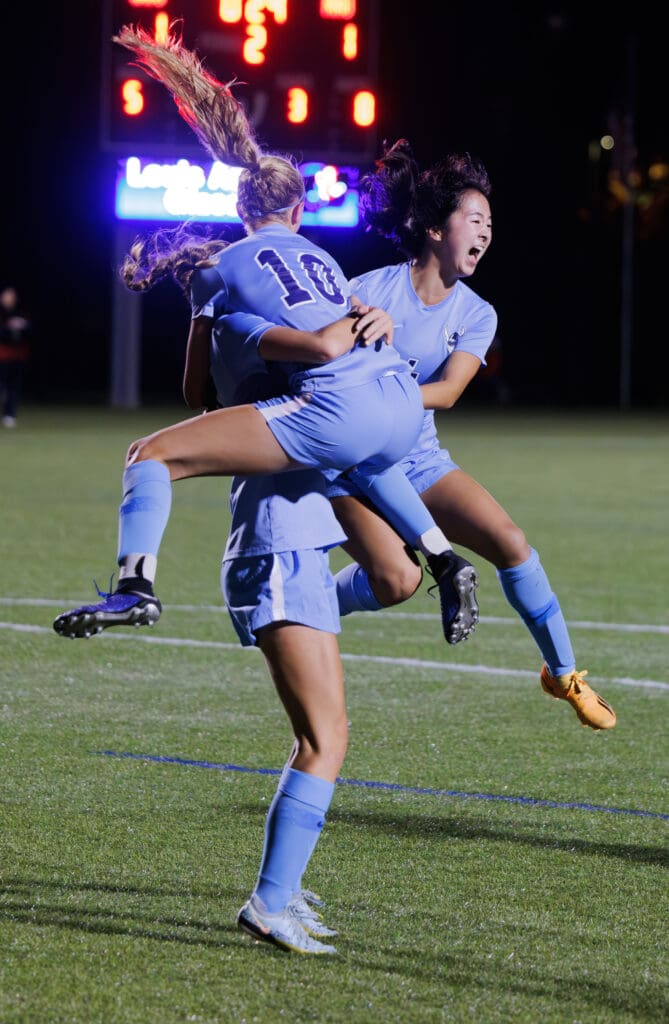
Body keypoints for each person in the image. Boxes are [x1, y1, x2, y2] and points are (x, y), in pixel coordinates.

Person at [52, 25, 479, 646]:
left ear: (240, 211)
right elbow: (359, 321)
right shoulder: (327, 261)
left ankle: (135, 585)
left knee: (149, 455)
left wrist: (215, 326)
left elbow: (199, 392)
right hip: (397, 401)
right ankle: (444, 557)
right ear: (300, 213)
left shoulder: (220, 268)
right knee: (348, 458)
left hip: (340, 403)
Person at [327, 139, 616, 732]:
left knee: (511, 541)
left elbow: (451, 390)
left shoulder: (476, 313)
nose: (485, 232)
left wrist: (386, 395)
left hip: (419, 460)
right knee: (396, 581)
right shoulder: (367, 290)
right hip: (353, 468)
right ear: (435, 228)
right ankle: (307, 607)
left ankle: (562, 676)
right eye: (475, 219)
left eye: (491, 224)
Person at [0, 285, 31, 428]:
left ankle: (9, 415)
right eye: (7, 295)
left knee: (13, 388)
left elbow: (30, 332)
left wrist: (21, 327)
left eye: (12, 295)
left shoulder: (20, 313)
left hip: (17, 357)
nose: (9, 298)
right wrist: (8, 328)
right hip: (2, 356)